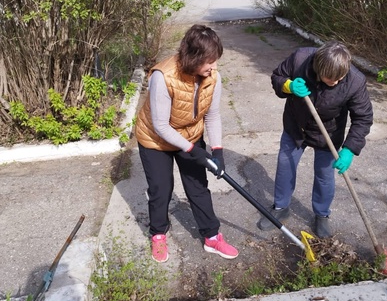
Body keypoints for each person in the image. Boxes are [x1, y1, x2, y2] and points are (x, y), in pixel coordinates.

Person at [135, 24, 238, 263]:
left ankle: (212, 236)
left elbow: (212, 115)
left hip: (190, 134)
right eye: (208, 62)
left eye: (215, 61)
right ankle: (158, 234)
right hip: (155, 140)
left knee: (198, 187)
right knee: (161, 189)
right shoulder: (163, 77)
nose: (214, 67)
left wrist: (217, 151)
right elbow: (161, 126)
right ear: (193, 58)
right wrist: (193, 151)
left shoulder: (213, 77)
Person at [258, 41, 373, 238]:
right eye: (330, 78)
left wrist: (350, 148)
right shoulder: (300, 59)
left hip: (328, 132)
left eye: (340, 78)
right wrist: (289, 86)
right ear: (318, 68)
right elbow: (278, 76)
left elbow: (363, 117)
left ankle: (322, 215)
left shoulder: (355, 81)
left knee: (324, 175)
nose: (335, 82)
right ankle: (280, 207)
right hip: (296, 124)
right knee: (285, 166)